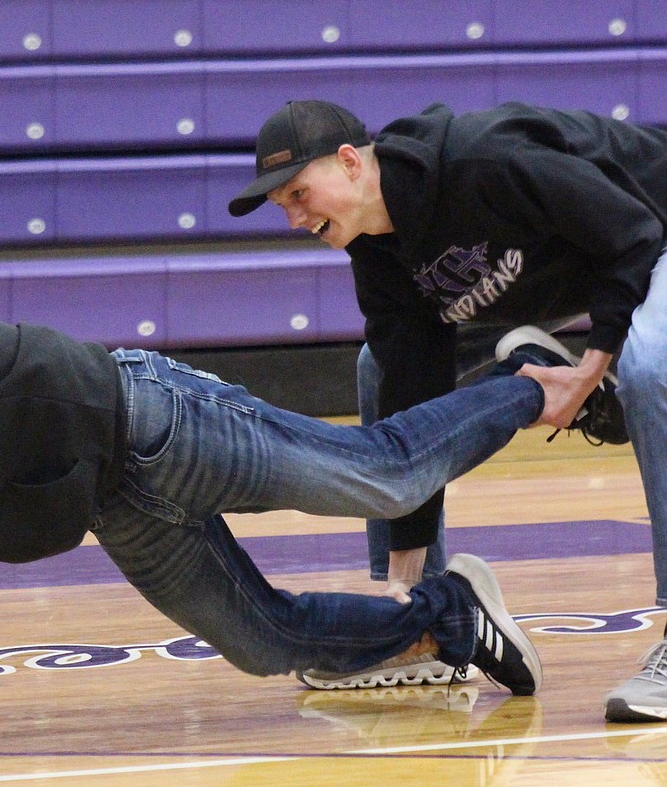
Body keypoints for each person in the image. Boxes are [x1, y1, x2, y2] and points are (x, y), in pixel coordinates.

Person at [0, 270, 552, 743]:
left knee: (382, 476)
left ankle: (541, 385)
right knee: (265, 642)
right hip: (114, 498)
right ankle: (454, 616)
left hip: (154, 420)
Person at [229, 99, 667, 721]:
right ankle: (420, 621)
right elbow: (413, 406)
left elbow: (633, 235)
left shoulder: (483, 162)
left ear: (350, 162)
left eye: (300, 193)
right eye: (285, 208)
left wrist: (589, 369)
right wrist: (404, 596)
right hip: (570, 277)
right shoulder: (377, 248)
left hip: (653, 231)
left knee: (651, 367)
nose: (296, 217)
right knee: (380, 367)